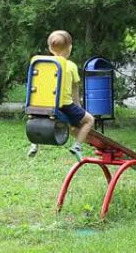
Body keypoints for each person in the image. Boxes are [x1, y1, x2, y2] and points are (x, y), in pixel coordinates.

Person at [27, 30, 95, 160]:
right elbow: (75, 89)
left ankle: (34, 144)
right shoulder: (71, 66)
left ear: (50, 48)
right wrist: (78, 107)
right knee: (89, 120)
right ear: (70, 48)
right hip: (64, 105)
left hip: (42, 103)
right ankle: (77, 146)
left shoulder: (43, 64)